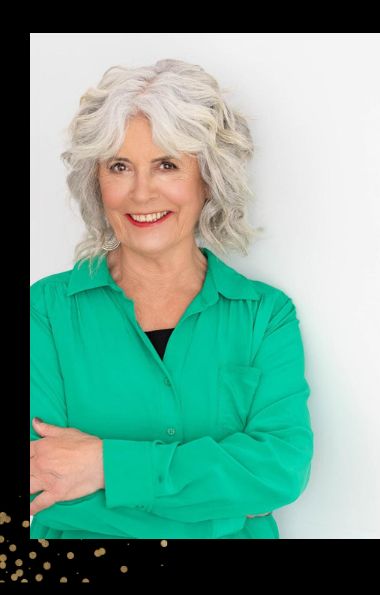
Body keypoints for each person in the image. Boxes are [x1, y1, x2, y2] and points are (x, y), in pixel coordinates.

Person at [29, 59, 313, 539]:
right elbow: (44, 486)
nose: (141, 192)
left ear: (208, 179)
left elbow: (279, 473)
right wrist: (222, 508)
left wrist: (106, 466)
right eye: (119, 166)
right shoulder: (46, 312)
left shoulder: (264, 316)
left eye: (167, 164)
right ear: (96, 181)